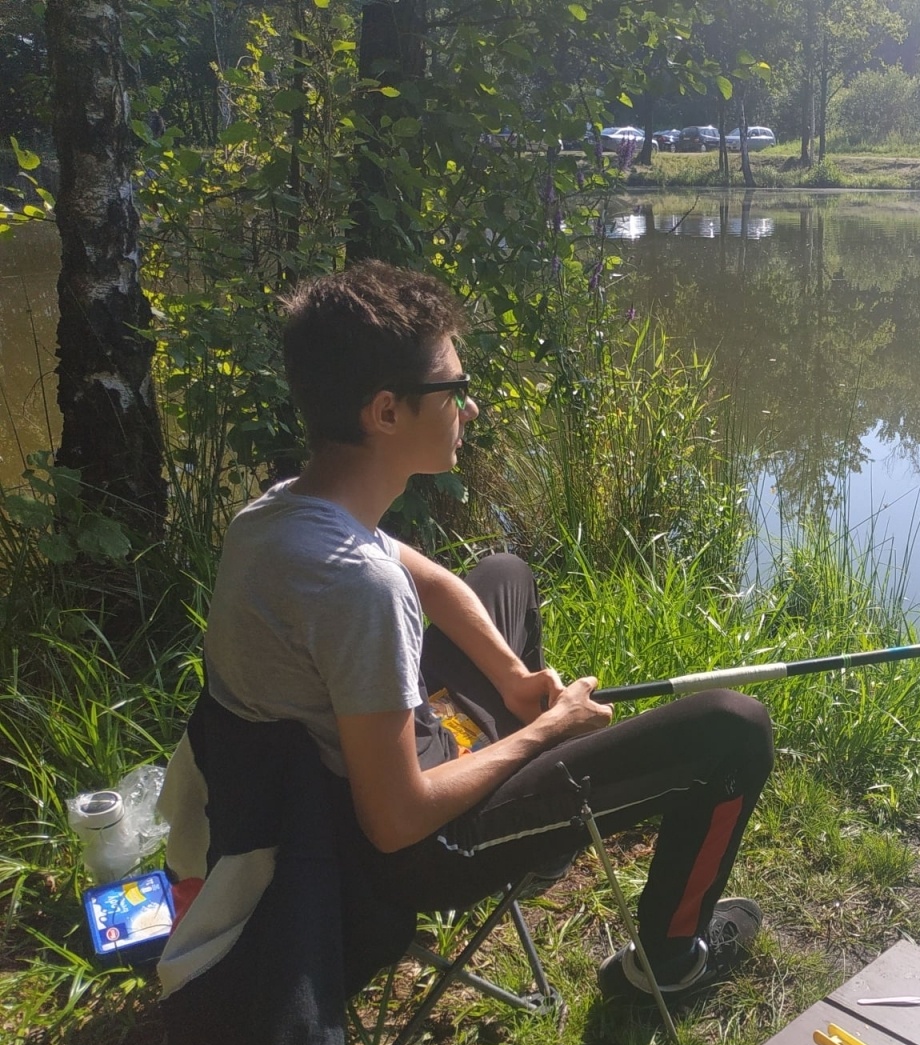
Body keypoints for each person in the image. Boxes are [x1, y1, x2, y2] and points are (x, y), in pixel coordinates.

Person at [203, 261, 773, 1007]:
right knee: (734, 729)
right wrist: (549, 730)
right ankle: (668, 963)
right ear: (385, 412)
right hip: (410, 851)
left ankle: (535, 806)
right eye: (453, 392)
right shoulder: (355, 586)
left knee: (501, 573)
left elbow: (435, 583)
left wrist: (512, 679)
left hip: (334, 777)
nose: (468, 411)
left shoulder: (284, 509)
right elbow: (396, 821)